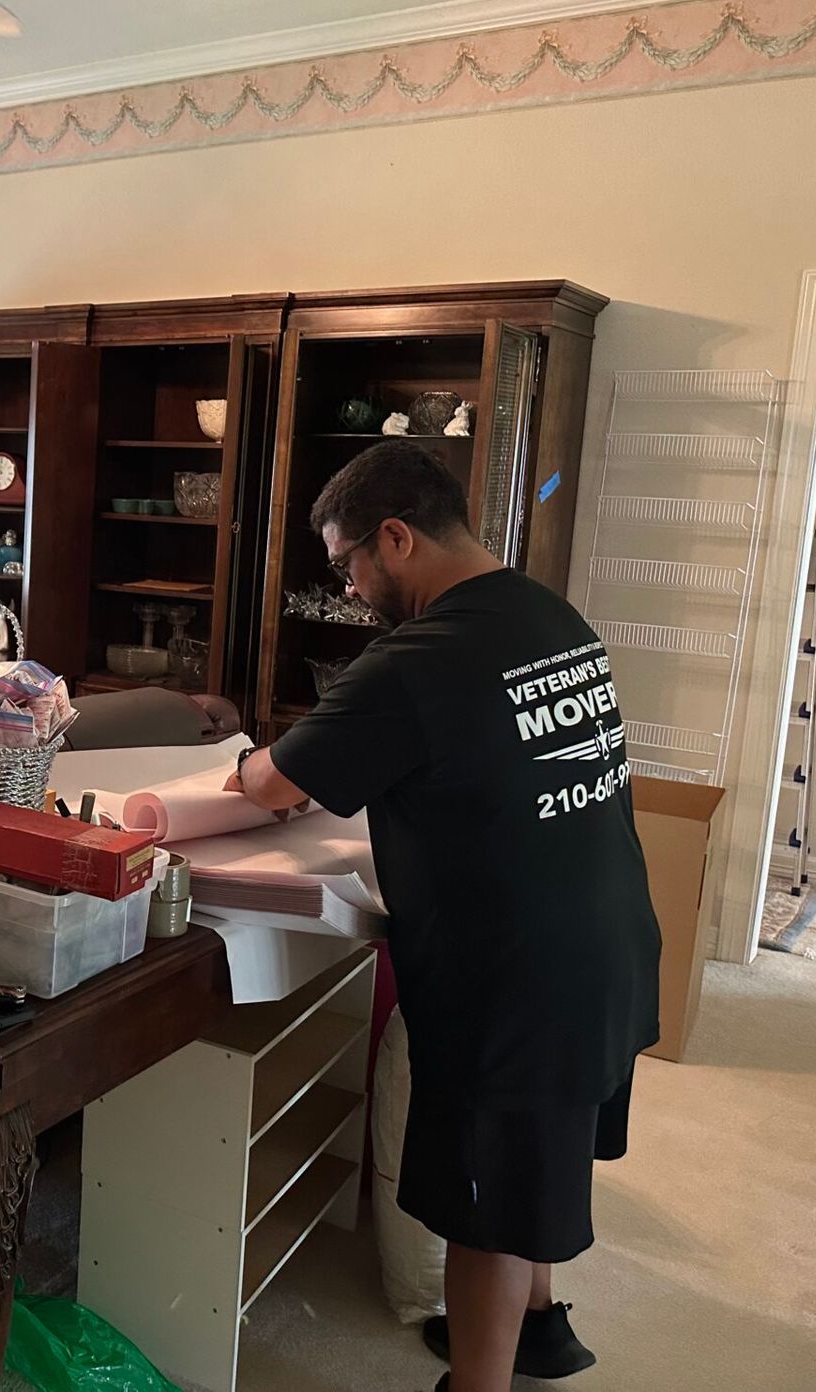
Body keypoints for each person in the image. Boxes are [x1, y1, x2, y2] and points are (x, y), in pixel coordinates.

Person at [225, 442, 659, 1392]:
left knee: (487, 1209)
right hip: (606, 945)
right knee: (533, 1167)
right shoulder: (551, 615)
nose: (349, 588)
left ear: (397, 537)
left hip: (513, 983)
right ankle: (539, 1328)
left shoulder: (418, 657)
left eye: (349, 564)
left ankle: (479, 1383)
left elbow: (271, 783)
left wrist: (253, 769)